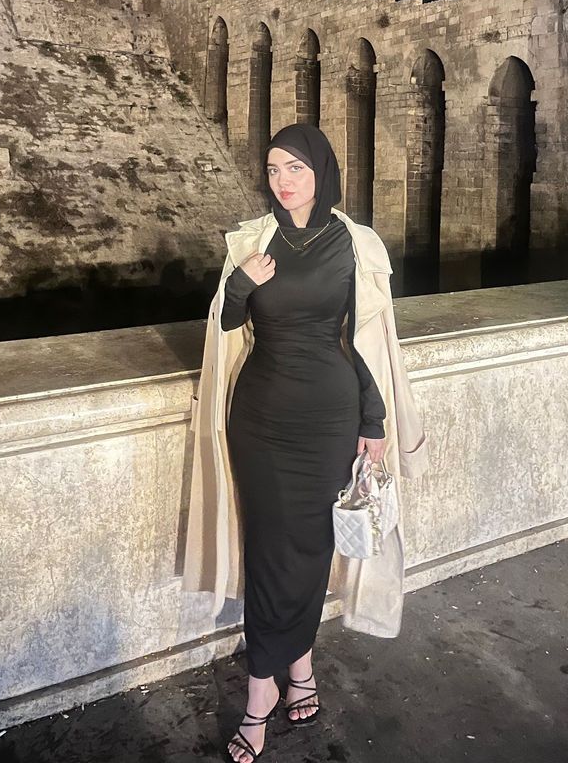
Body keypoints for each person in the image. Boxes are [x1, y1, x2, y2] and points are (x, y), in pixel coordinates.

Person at [181, 123, 428, 762]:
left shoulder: (356, 244)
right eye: (272, 170)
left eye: (295, 168)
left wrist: (373, 424)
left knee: (312, 551)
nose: (283, 181)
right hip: (260, 422)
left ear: (320, 171)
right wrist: (238, 287)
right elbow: (229, 327)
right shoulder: (254, 241)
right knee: (270, 552)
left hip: (330, 419)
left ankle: (297, 673)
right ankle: (269, 689)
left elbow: (368, 343)